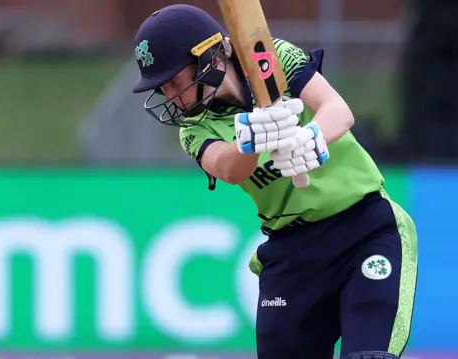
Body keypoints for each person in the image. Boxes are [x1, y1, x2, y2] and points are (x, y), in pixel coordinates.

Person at [131, 4, 418, 359]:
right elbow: (228, 167)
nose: (172, 96)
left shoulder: (271, 56)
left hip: (364, 230)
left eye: (175, 80)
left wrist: (310, 139)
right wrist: (251, 139)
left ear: (207, 59)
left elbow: (338, 111)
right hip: (292, 252)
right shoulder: (194, 128)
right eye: (163, 88)